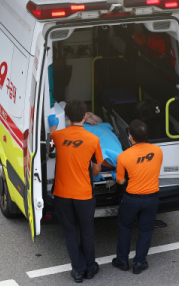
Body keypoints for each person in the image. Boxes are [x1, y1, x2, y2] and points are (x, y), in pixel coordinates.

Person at [48, 99, 103, 283]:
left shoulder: (59, 136)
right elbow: (96, 168)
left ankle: (78, 271)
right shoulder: (93, 140)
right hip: (84, 195)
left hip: (62, 194)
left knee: (70, 232)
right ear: (85, 116)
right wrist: (94, 177)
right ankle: (89, 268)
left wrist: (54, 125)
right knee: (87, 232)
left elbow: (50, 140)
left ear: (68, 117)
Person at [111, 120, 163, 275]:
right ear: (146, 136)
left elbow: (120, 181)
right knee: (146, 230)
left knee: (125, 228)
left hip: (131, 199)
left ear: (130, 137)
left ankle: (122, 260)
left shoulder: (123, 156)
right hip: (151, 198)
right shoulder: (158, 151)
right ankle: (139, 263)